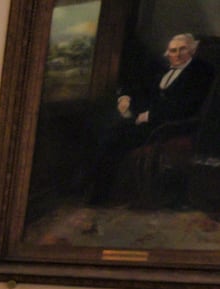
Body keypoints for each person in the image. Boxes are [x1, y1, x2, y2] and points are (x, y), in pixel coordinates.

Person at [91, 34, 215, 204]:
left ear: (192, 51)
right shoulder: (161, 70)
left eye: (182, 49)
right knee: (101, 127)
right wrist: (125, 97)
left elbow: (186, 107)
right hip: (145, 122)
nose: (177, 54)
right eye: (173, 50)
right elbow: (138, 87)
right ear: (168, 53)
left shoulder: (200, 73)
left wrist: (150, 115)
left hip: (168, 127)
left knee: (113, 138)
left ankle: (100, 195)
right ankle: (92, 188)